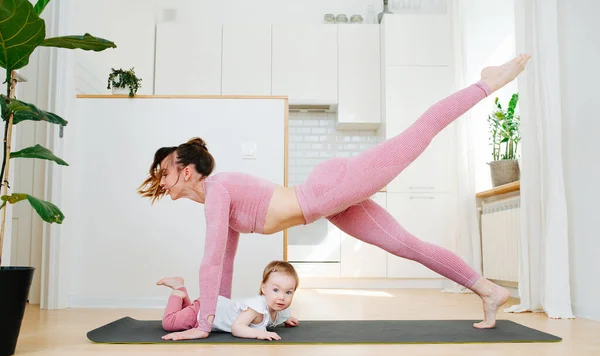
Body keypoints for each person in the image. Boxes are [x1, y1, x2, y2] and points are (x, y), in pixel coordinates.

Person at [139, 54, 531, 340]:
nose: (162, 182)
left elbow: (209, 260)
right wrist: (220, 316)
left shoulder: (218, 188)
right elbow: (223, 259)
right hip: (327, 205)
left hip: (328, 191)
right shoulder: (218, 196)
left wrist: (203, 325)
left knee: (415, 137)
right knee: (405, 245)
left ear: (186, 171)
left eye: (165, 173)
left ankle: (487, 83)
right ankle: (489, 290)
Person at [158, 260, 300, 341]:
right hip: (202, 312)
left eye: (288, 292)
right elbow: (237, 328)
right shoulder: (255, 308)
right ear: (263, 288)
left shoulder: (280, 308)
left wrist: (285, 319)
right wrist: (260, 334)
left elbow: (275, 315)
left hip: (212, 307)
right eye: (276, 290)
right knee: (169, 322)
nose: (282, 297)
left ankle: (183, 296)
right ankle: (178, 289)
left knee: (183, 315)